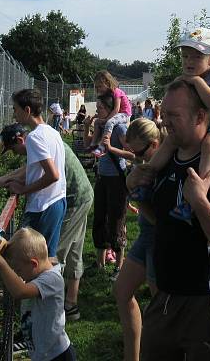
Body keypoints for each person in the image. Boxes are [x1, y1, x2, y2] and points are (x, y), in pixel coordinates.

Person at [130, 78, 210, 361]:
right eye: (164, 113)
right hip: (164, 295)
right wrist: (135, 191)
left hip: (208, 301)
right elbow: (162, 220)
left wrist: (200, 202)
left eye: (174, 115)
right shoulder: (164, 162)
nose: (164, 122)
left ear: (200, 115)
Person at [0, 122, 93, 321]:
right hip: (82, 194)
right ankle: (71, 304)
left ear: (20, 140)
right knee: (74, 249)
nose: (16, 154)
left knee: (51, 255)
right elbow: (29, 169)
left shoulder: (36, 142)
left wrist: (2, 182)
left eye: (14, 149)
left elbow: (31, 172)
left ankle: (46, 313)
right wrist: (3, 180)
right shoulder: (44, 136)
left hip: (72, 200)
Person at [146, 27, 210, 222]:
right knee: (171, 141)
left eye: (196, 57)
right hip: (208, 121)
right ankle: (148, 171)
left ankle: (202, 188)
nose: (189, 62)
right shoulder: (193, 76)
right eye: (185, 57)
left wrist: (197, 82)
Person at [0, 89, 66, 259]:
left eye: (15, 109)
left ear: (27, 110)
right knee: (47, 257)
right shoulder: (53, 132)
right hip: (56, 201)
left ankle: (40, 286)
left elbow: (53, 175)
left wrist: (24, 190)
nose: (14, 114)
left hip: (43, 206)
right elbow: (36, 170)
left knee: (37, 259)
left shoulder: (35, 137)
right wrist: (3, 181)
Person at [0, 228, 76, 361]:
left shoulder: (51, 279)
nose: (17, 273)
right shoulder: (38, 274)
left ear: (33, 264)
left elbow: (19, 291)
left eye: (18, 270)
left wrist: (0, 261)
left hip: (57, 356)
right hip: (43, 353)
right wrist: (3, 249)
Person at [113, 118, 162, 361]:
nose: (136, 157)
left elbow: (163, 220)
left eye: (139, 152)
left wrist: (135, 195)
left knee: (161, 309)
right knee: (122, 291)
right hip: (145, 236)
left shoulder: (163, 168)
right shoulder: (145, 164)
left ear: (155, 144)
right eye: (132, 153)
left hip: (159, 240)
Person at [92, 92, 133, 280]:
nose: (97, 111)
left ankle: (119, 266)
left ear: (110, 110)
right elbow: (89, 147)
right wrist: (87, 129)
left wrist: (111, 149)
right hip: (102, 177)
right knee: (99, 218)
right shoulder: (101, 126)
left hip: (117, 178)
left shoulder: (119, 129)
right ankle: (100, 263)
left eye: (100, 108)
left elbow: (132, 154)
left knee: (116, 221)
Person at [88, 70, 132, 154]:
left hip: (124, 114)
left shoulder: (116, 92)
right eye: (96, 87)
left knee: (109, 122)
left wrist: (106, 119)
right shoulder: (108, 93)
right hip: (118, 114)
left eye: (100, 86)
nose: (98, 89)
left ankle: (102, 145)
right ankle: (93, 145)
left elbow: (116, 109)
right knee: (97, 122)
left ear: (107, 83)